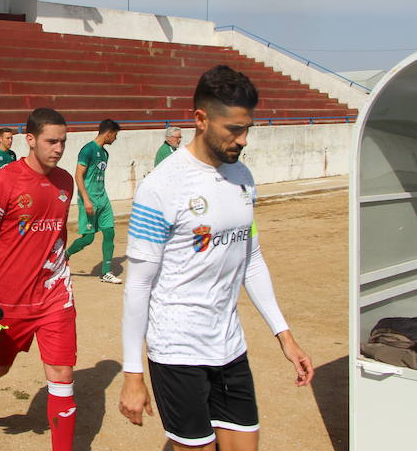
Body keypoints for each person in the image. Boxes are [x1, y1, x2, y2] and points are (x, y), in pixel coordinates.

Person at [118, 65, 314, 450]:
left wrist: (285, 336)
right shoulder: (160, 188)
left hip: (230, 347)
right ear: (200, 119)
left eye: (247, 129)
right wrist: (132, 374)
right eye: (233, 130)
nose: (242, 140)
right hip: (177, 351)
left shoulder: (244, 177)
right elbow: (137, 285)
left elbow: (251, 258)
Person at [0, 108, 77, 449]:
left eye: (63, 142)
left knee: (62, 376)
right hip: (6, 305)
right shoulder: (4, 182)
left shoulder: (65, 182)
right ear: (30, 139)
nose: (58, 149)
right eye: (51, 141)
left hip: (55, 295)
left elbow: (57, 236)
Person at [65, 119, 122, 284]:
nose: (115, 139)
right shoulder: (88, 150)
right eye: (115, 135)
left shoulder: (105, 153)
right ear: (108, 133)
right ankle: (64, 256)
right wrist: (86, 199)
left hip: (103, 199)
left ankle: (106, 272)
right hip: (88, 200)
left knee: (109, 232)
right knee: (88, 238)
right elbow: (78, 175)